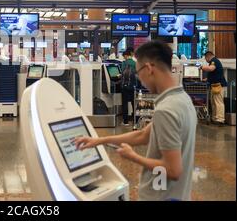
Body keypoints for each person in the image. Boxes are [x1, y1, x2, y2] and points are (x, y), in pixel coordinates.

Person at [75, 40, 197, 201]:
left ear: (149, 68)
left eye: (138, 72)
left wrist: (133, 156)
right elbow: (143, 136)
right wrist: (98, 141)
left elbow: (173, 170)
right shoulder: (183, 99)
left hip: (162, 196)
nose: (140, 79)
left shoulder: (166, 110)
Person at [201, 51, 227, 126]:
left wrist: (202, 67)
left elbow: (211, 69)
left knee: (218, 103)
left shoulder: (214, 61)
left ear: (208, 56)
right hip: (214, 85)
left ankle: (220, 120)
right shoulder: (213, 61)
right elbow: (214, 73)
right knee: (213, 103)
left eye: (205, 58)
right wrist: (207, 79)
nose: (206, 60)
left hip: (218, 85)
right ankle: (215, 118)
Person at [121, 49, 137, 126]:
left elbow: (122, 72)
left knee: (125, 104)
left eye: (124, 56)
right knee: (134, 103)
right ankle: (135, 120)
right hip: (133, 86)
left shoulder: (124, 63)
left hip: (125, 86)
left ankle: (125, 121)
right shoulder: (135, 63)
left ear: (126, 55)